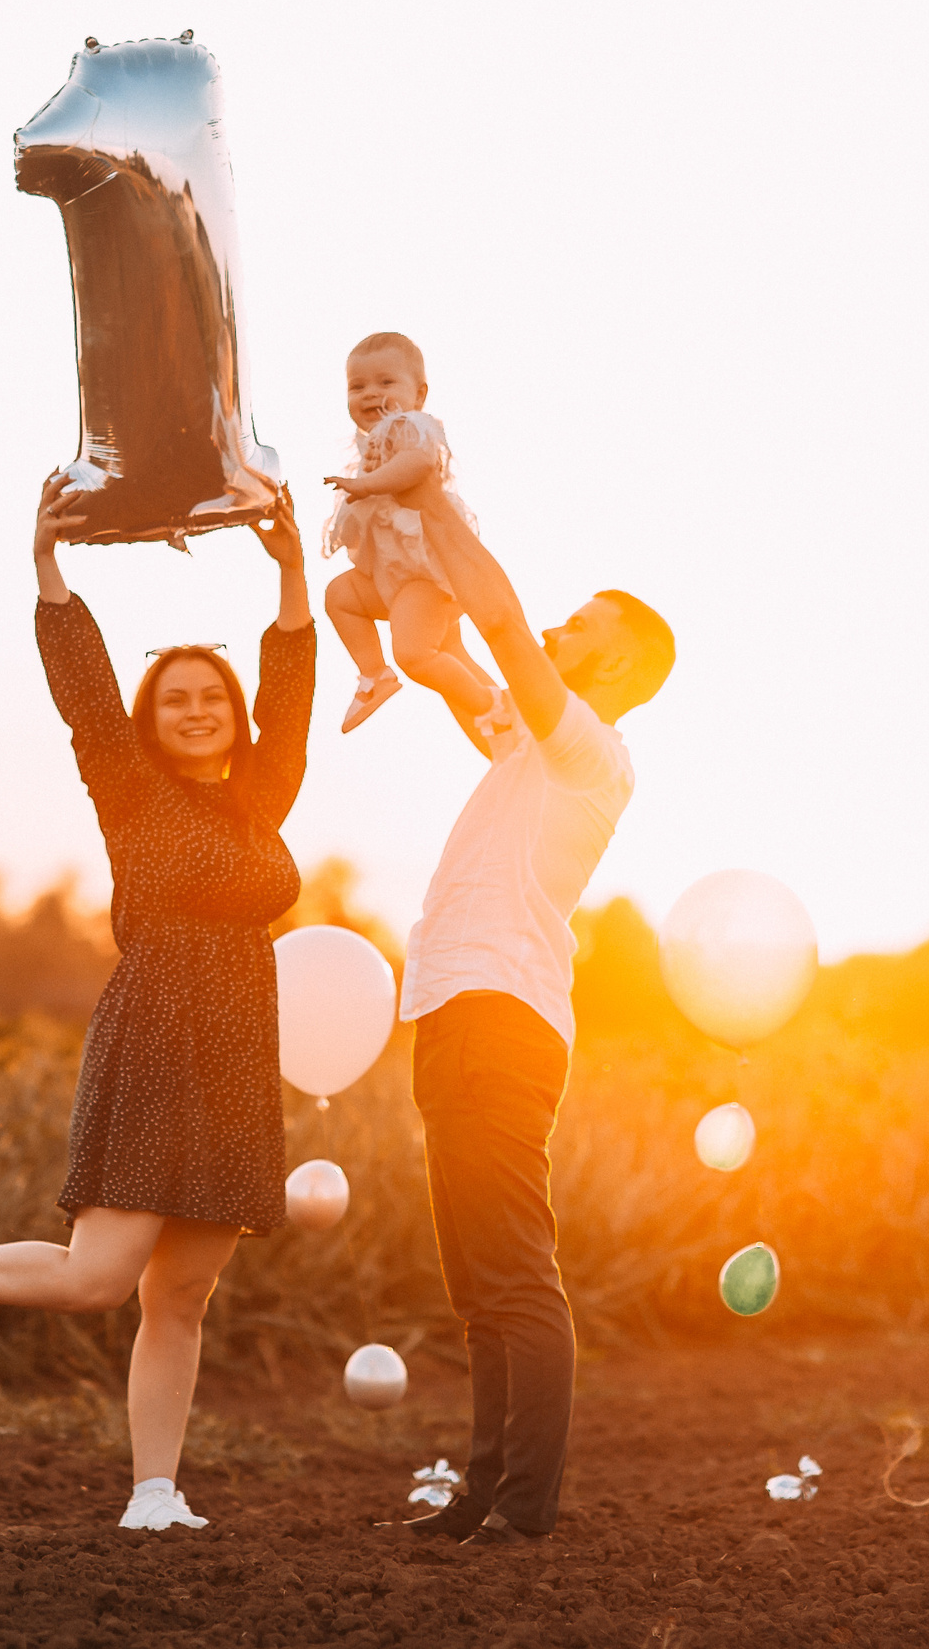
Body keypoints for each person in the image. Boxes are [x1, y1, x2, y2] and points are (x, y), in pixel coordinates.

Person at [0, 472, 315, 1535]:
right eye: (176, 697)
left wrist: (289, 569)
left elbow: (292, 683)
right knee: (99, 1277)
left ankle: (154, 1490)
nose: (196, 708)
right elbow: (85, 687)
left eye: (211, 695)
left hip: (237, 1059)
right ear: (151, 718)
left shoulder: (262, 796)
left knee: (180, 1297)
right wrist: (46, 567)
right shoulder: (127, 785)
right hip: (156, 1037)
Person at [396, 496, 676, 1546]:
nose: (553, 628)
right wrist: (398, 533)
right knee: (476, 1277)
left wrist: (434, 493)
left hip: (503, 1013)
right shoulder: (525, 738)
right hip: (451, 1003)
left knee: (512, 1264)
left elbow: (501, 626)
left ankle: (525, 1506)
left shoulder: (590, 753)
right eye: (561, 618)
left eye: (579, 626)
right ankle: (484, 1489)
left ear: (613, 671)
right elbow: (431, 644)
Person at [319, 332, 507, 737]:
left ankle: (491, 705)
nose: (371, 394)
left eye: (386, 383)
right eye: (358, 386)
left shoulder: (410, 426)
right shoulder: (372, 442)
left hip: (427, 575)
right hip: (393, 576)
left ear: (419, 394)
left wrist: (365, 487)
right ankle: (374, 675)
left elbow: (417, 464)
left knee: (415, 652)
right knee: (340, 597)